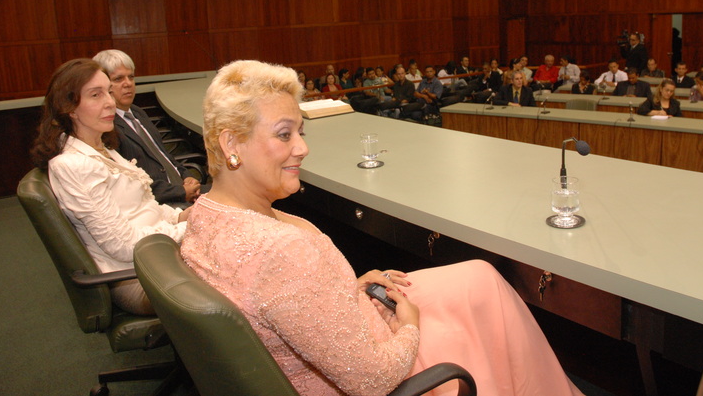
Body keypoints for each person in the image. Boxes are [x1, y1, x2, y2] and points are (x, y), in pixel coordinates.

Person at [180, 60, 584, 396]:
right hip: (378, 361)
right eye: (284, 134)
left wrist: (345, 288)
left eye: (300, 132)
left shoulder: (203, 215)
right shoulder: (280, 252)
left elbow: (278, 301)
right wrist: (409, 325)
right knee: (486, 312)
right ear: (231, 144)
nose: (302, 148)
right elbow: (373, 379)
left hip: (348, 320)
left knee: (480, 278)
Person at [30, 59, 188, 315]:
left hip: (157, 256)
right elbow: (123, 246)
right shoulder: (73, 165)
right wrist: (188, 229)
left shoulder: (103, 148)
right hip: (135, 275)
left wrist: (180, 216)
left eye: (108, 92)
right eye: (96, 95)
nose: (110, 102)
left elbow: (141, 207)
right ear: (69, 108)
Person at [93, 50, 202, 207]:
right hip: (162, 203)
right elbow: (132, 185)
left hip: (181, 189)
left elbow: (164, 156)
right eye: (118, 79)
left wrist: (187, 176)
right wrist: (181, 192)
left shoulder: (137, 112)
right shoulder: (108, 129)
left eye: (131, 77)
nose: (128, 83)